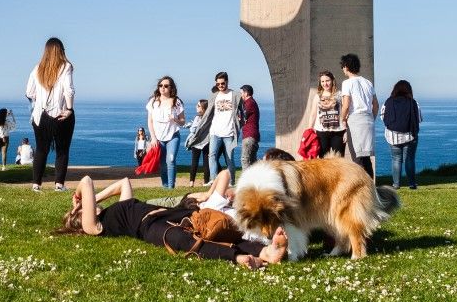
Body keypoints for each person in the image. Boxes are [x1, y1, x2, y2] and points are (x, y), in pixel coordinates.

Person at [54, 174, 287, 269]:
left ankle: (265, 251)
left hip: (167, 213)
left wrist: (95, 198)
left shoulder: (115, 208)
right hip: (148, 227)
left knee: (211, 227)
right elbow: (85, 180)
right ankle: (238, 257)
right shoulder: (94, 227)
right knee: (182, 239)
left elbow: (124, 182)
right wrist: (80, 201)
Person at [24, 37, 75, 193]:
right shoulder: (66, 66)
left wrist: (41, 99)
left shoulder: (37, 68)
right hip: (61, 115)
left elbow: (29, 92)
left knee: (41, 150)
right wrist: (70, 110)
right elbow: (69, 90)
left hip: (40, 115)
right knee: (62, 150)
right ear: (61, 51)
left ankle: (36, 185)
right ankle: (59, 185)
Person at [145, 76, 187, 189]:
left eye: (166, 86)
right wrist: (153, 138)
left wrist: (175, 119)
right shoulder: (153, 101)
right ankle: (165, 186)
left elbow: (183, 121)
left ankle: (171, 187)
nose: (163, 88)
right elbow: (150, 121)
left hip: (173, 136)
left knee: (171, 160)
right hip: (158, 138)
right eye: (161, 85)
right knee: (163, 163)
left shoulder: (176, 102)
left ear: (171, 88)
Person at [380, 79, 421, 191]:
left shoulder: (388, 101)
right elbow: (419, 119)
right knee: (409, 159)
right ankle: (412, 184)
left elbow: (382, 116)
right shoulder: (413, 103)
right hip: (410, 136)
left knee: (396, 159)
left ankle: (396, 184)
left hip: (393, 136)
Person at [339, 54, 377, 177]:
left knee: (357, 157)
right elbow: (375, 104)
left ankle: (363, 187)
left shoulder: (347, 83)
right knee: (365, 157)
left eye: (343, 67)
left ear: (346, 67)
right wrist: (372, 118)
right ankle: (371, 184)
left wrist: (342, 119)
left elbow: (346, 105)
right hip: (368, 119)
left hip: (355, 119)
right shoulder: (368, 82)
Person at [208, 71, 244, 177]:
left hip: (229, 133)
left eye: (222, 83)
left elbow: (243, 111)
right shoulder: (214, 96)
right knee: (212, 156)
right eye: (217, 84)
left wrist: (239, 124)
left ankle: (232, 181)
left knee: (229, 158)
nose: (220, 86)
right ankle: (213, 180)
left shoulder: (236, 95)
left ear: (227, 82)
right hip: (215, 132)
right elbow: (208, 114)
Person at [311, 71, 346, 159]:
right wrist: (309, 130)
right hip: (321, 133)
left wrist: (346, 131)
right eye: (322, 81)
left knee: (339, 160)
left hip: (338, 132)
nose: (325, 83)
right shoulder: (317, 96)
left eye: (327, 80)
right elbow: (313, 114)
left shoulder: (339, 95)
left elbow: (344, 113)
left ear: (332, 81)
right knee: (323, 161)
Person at [185, 99, 213, 184]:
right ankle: (206, 182)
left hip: (196, 142)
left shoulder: (198, 117)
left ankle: (191, 182)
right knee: (206, 163)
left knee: (194, 162)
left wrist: (192, 125)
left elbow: (193, 130)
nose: (196, 107)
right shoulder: (210, 117)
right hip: (207, 141)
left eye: (198, 106)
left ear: (203, 108)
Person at [238, 84, 261, 169]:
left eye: (241, 93)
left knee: (245, 159)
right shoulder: (252, 102)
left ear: (246, 93)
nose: (240, 95)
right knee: (252, 161)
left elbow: (242, 116)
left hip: (249, 135)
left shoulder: (249, 103)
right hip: (252, 135)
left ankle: (247, 181)